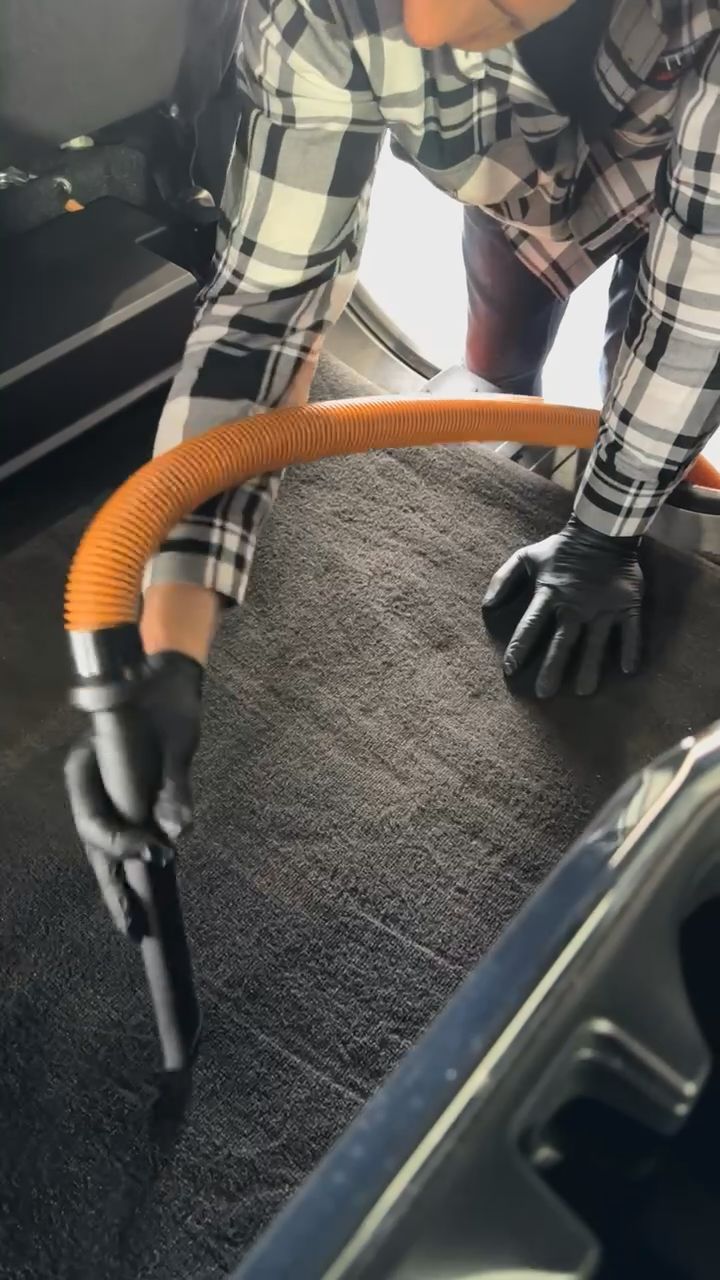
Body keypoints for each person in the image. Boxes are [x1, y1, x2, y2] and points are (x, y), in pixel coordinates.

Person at [66, 0, 720, 854]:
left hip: (678, 149)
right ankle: (514, 405)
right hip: (513, 171)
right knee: (500, 336)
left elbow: (693, 321)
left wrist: (605, 536)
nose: (425, 32)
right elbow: (265, 311)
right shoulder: (325, 10)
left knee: (649, 340)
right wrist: (171, 645)